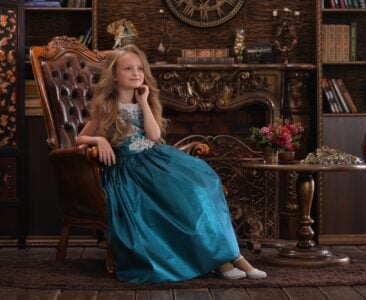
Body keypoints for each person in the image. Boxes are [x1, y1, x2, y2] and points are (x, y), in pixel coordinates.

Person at [76, 44, 267, 283]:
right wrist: (99, 139)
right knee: (184, 193)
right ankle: (223, 260)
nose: (136, 73)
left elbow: (154, 136)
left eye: (140, 69)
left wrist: (144, 101)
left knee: (204, 183)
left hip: (156, 159)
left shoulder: (144, 101)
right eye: (128, 69)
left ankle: (232, 257)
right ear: (114, 75)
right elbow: (79, 138)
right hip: (130, 170)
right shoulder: (106, 108)